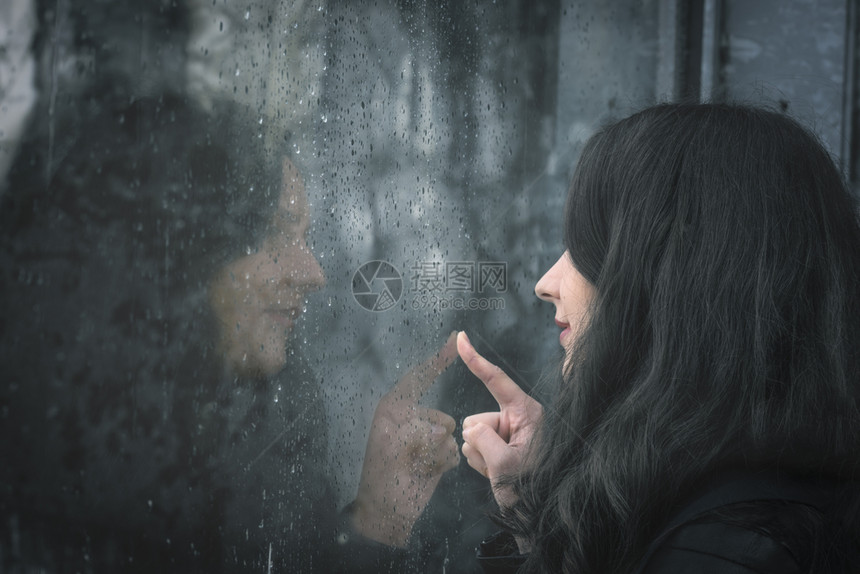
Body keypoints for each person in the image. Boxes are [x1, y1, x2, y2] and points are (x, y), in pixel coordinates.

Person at [0, 94, 459, 572]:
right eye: (275, 235)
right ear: (183, 259)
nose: (314, 272)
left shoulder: (276, 410)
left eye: (305, 238)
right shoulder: (56, 454)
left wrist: (380, 518)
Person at [457, 103, 860, 573]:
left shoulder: (712, 551)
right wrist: (531, 504)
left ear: (676, 279)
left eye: (590, 246)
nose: (545, 282)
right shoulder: (765, 502)